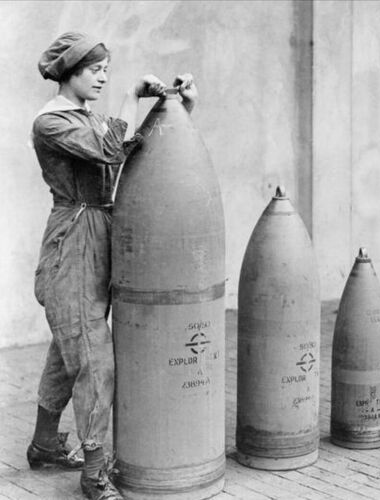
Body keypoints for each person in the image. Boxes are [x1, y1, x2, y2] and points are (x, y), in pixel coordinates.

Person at [27, 32, 198, 500]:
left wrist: (180, 107)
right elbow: (107, 150)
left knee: (72, 350)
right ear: (69, 72)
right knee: (94, 358)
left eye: (107, 68)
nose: (103, 76)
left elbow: (131, 151)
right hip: (74, 240)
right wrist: (127, 97)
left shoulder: (87, 117)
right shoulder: (52, 123)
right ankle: (95, 474)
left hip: (99, 233)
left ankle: (44, 444)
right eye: (94, 69)